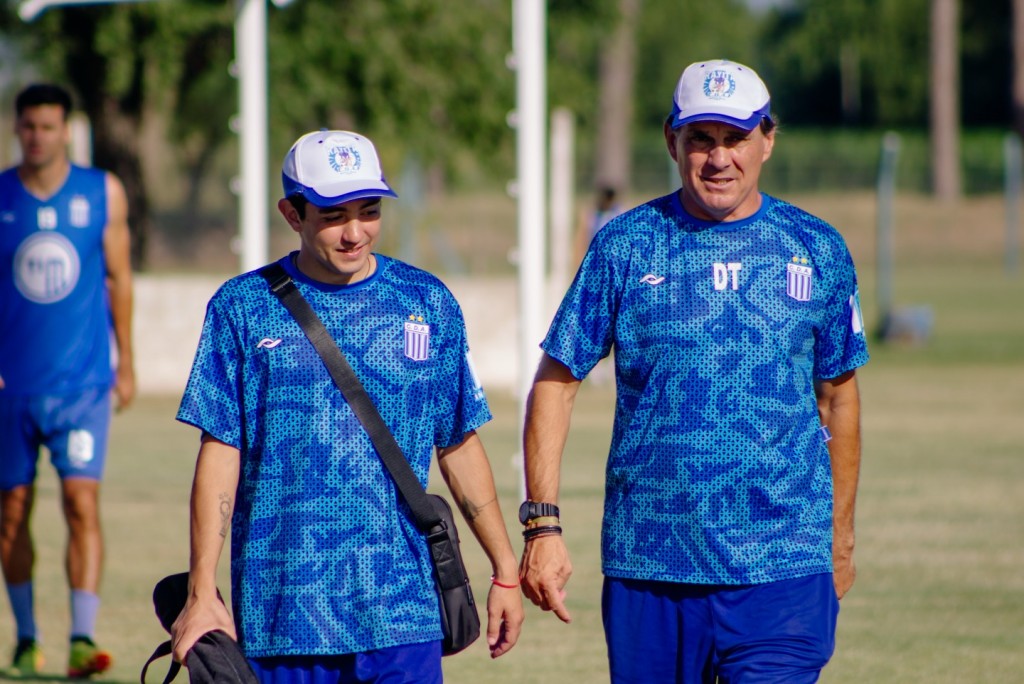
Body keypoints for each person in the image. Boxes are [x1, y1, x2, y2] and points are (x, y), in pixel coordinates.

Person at [518, 59, 869, 683]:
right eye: (700, 139)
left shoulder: (817, 249)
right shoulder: (624, 245)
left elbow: (839, 398)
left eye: (735, 138)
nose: (718, 159)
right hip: (650, 564)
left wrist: (839, 538)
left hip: (782, 566)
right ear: (670, 140)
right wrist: (542, 524)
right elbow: (557, 382)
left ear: (767, 139)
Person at [171, 129, 523, 683]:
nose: (355, 232)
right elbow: (220, 452)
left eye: (369, 210)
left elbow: (457, 440)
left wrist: (504, 570)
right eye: (334, 215)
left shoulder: (428, 301)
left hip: (402, 614)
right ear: (293, 213)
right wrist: (201, 592)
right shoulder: (240, 308)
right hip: (281, 613)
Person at [0, 83, 135, 678]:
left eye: (49, 126)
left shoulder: (100, 192)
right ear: (16, 129)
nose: (38, 137)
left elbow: (120, 278)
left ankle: (83, 637)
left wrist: (126, 360)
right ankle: (27, 639)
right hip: (13, 387)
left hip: (82, 386)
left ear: (67, 129)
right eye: (29, 126)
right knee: (12, 512)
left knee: (82, 502)